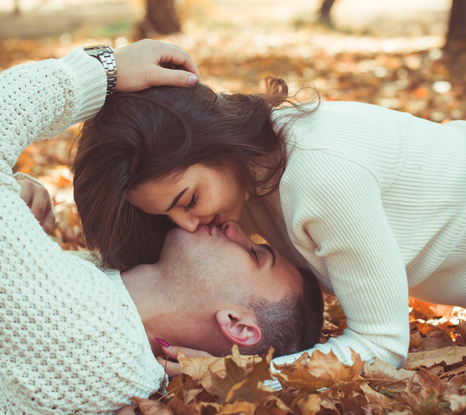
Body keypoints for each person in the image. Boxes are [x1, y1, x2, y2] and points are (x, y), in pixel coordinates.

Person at [0, 41, 323, 415]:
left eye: (256, 255)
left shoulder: (87, 328)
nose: (236, 229)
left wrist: (104, 70)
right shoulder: (117, 337)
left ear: (237, 325)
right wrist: (15, 192)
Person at [73, 74, 466, 377]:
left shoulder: (320, 173)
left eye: (189, 201)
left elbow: (382, 343)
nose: (186, 227)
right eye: (167, 215)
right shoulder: (239, 179)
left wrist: (234, 373)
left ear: (218, 142)